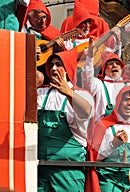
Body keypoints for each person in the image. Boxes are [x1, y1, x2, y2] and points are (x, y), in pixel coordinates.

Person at [37, 48, 94, 191]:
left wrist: (68, 93)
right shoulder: (40, 93)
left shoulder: (81, 94)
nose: (54, 68)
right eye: (51, 65)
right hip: (41, 168)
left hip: (68, 171)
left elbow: (86, 111)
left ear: (68, 67)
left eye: (59, 64)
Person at [89, 86, 130, 192]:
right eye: (126, 99)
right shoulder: (104, 125)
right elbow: (95, 157)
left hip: (128, 182)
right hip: (107, 180)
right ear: (118, 102)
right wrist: (113, 144)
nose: (129, 103)